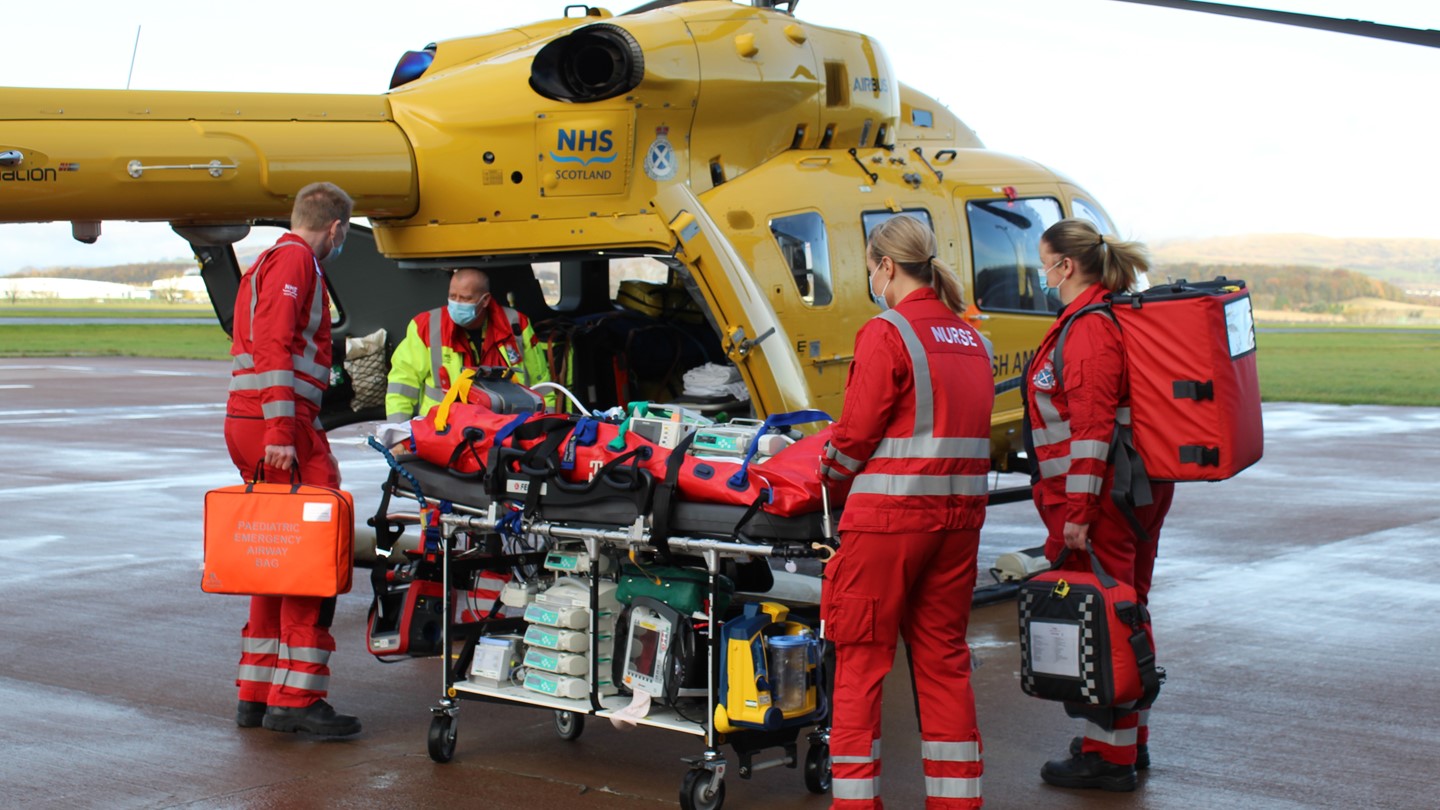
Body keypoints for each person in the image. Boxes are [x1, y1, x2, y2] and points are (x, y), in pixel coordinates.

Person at [819, 215, 994, 809]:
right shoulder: (972, 339)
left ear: (886, 267)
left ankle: (855, 803)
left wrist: (827, 480)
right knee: (944, 661)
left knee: (862, 663)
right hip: (958, 525)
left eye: (872, 268)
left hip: (888, 526)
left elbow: (854, 435)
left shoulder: (887, 332)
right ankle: (956, 801)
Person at [1024, 218, 1176, 791]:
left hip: (1106, 498)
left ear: (1065, 266)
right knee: (1127, 608)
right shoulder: (1100, 318)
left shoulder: (1088, 329)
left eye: (1045, 263)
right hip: (1127, 491)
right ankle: (1122, 742)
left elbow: (1090, 430)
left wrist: (1078, 515)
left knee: (1108, 619)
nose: (1043, 274)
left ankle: (1108, 760)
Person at [223, 181, 362, 737]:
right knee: (313, 554)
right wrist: (284, 428)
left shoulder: (267, 261)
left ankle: (256, 694)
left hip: (253, 422)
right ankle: (297, 701)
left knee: (272, 555)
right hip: (281, 429)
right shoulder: (298, 261)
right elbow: (276, 345)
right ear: (335, 228)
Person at [385, 267, 551, 421]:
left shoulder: (516, 325)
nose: (457, 303)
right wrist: (397, 435)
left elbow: (542, 383)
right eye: (452, 296)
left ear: (485, 300)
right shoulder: (426, 326)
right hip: (443, 430)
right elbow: (402, 384)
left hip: (506, 427)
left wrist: (547, 426)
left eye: (465, 298)